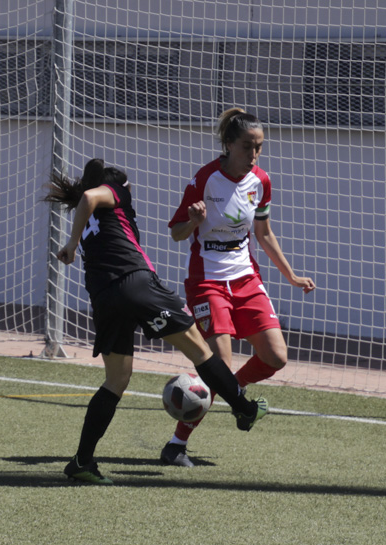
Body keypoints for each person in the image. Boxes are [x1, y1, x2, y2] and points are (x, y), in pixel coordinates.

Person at [45, 158, 268, 485]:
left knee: (116, 381)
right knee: (201, 351)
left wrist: (76, 237)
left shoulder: (90, 217)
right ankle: (244, 409)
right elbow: (91, 196)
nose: (129, 188)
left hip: (103, 296)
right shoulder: (112, 193)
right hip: (135, 283)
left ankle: (82, 460)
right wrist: (71, 243)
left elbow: (87, 201)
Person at [161, 108, 315, 467]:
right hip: (207, 282)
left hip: (246, 279)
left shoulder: (261, 181)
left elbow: (263, 233)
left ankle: (237, 396)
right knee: (221, 365)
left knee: (276, 356)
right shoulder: (205, 179)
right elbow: (176, 233)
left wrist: (290, 275)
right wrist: (194, 221)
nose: (254, 155)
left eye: (259, 147)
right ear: (229, 144)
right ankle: (175, 446)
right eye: (248, 146)